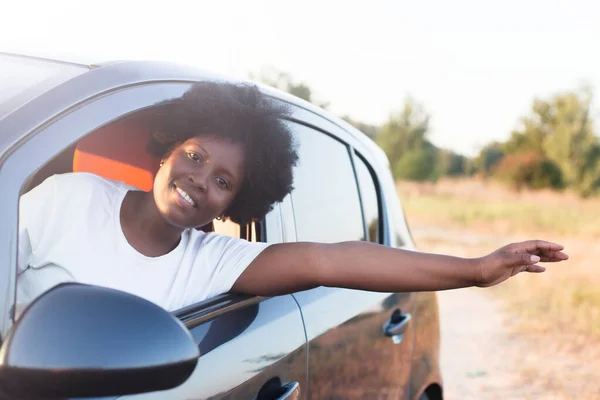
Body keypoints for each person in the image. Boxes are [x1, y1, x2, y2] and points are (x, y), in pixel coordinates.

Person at [16, 81, 568, 312]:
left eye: (225, 182)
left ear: (232, 205)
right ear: (166, 149)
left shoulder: (211, 264)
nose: (200, 181)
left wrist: (475, 270)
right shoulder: (69, 197)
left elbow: (328, 259)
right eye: (195, 156)